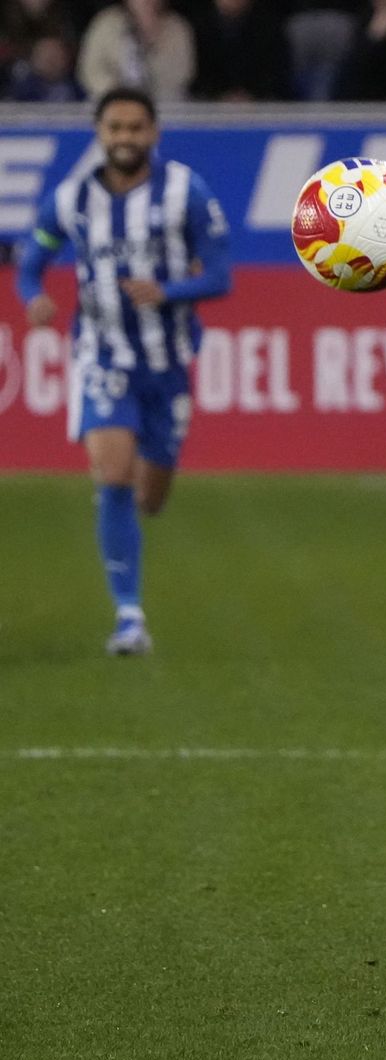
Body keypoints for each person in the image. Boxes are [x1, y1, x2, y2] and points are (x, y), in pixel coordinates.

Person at [16, 86, 231, 655]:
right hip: (103, 355)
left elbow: (220, 276)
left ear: (153, 133)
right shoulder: (71, 200)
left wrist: (169, 291)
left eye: (136, 128)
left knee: (151, 495)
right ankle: (130, 618)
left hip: (167, 361)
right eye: (115, 128)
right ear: (100, 133)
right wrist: (34, 295)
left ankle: (126, 527)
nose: (125, 138)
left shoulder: (186, 191)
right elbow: (31, 259)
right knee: (112, 475)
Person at [76, 0, 196, 101]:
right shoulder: (106, 23)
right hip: (111, 102)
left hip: (164, 105)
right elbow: (90, 70)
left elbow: (182, 74)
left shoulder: (177, 27)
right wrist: (117, 91)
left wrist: (153, 35)